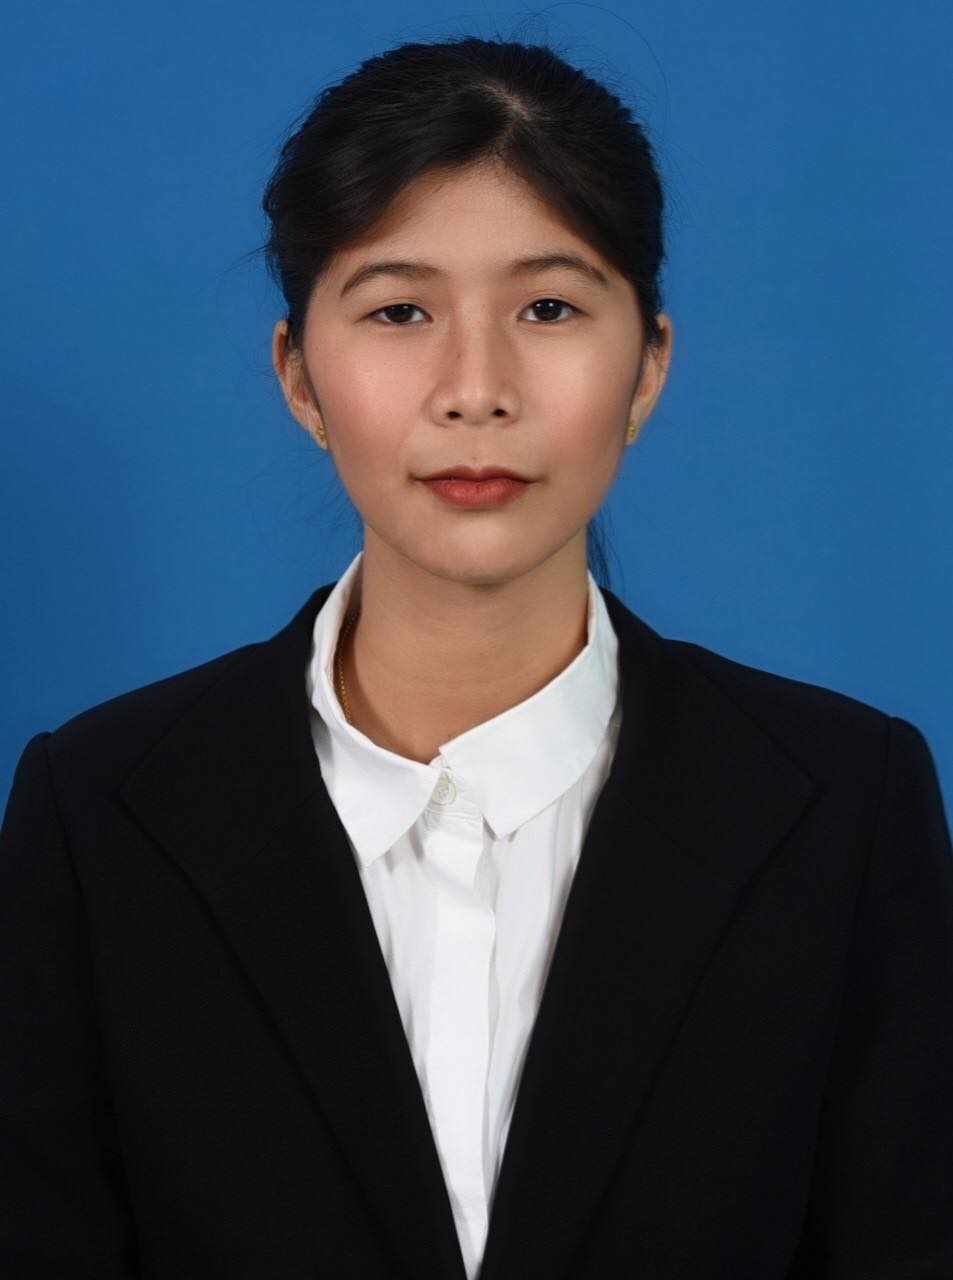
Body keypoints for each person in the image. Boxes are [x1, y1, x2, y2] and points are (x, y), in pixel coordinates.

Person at [1, 33, 951, 1280]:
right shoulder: (97, 813)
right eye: (398, 310)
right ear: (299, 375)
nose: (475, 389)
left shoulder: (845, 805)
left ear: (647, 365)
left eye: (547, 307)